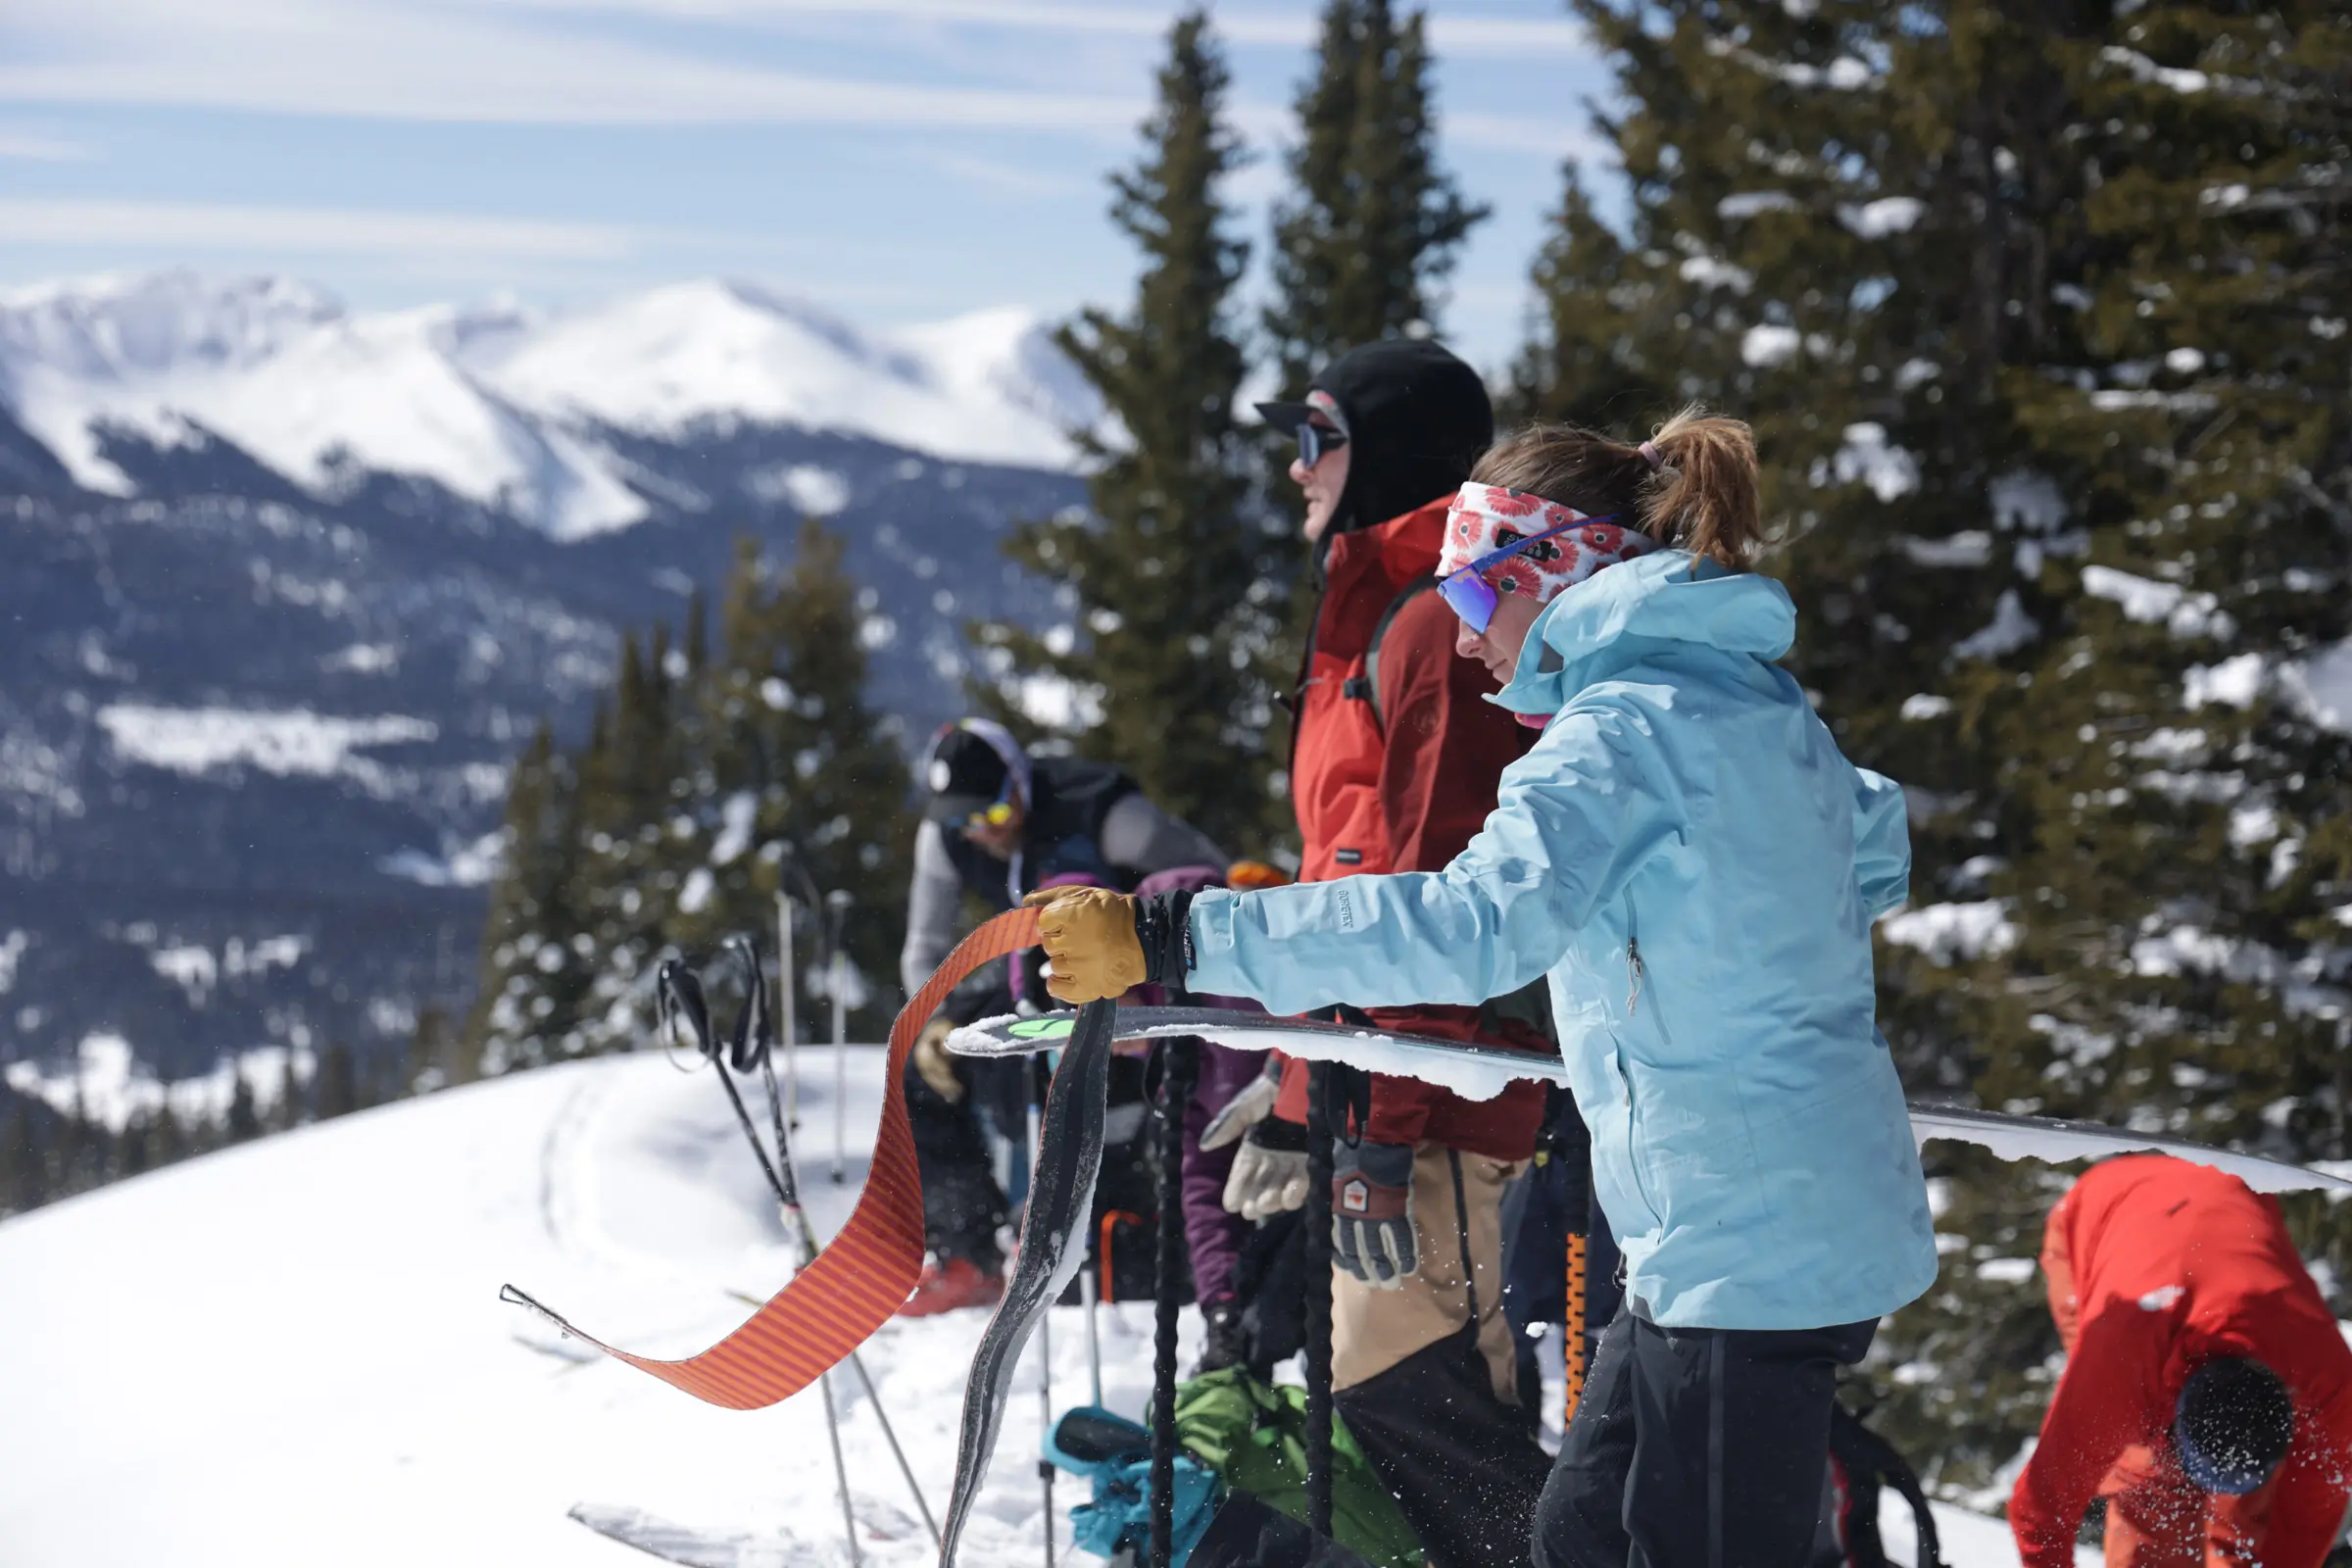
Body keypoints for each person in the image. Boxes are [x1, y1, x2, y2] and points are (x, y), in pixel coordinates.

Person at [1026, 408, 1940, 1568]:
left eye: (1470, 598)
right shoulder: (1753, 703)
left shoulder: (1618, 732)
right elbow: (1871, 844)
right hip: (1737, 1229)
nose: (1464, 642)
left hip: (1741, 1250)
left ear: (1553, 571)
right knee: (1579, 1539)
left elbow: (1465, 925)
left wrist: (1176, 937)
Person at [1213, 338, 1557, 1568]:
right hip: (1387, 1085)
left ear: (1388, 452)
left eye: (1316, 438)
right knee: (1393, 1409)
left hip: (1440, 1104)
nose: (1294, 469)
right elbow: (1346, 879)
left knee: (1422, 1408)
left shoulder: (1439, 627)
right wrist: (1302, 1082)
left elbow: (1434, 906)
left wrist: (1375, 1125)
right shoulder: (1380, 614)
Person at [896, 717, 1226, 1315]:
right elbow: (924, 948)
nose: (982, 834)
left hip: (1131, 974)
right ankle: (967, 1249)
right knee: (921, 1074)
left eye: (993, 815)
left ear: (1020, 784)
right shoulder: (944, 837)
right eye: (964, 822)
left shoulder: (1100, 810)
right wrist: (935, 1020)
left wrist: (1146, 974)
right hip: (1030, 974)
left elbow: (1203, 881)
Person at [2009, 1153, 2352, 1568]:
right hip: (2103, 1210)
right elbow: (2039, 1513)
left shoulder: (2328, 1384)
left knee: (2253, 1503)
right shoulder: (2117, 1372)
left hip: (2228, 1190)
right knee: (2150, 1475)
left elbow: (2307, 1521)